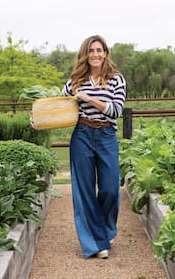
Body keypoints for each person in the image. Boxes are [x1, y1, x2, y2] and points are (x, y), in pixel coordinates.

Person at [62, 35, 126, 259]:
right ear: (85, 55)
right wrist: (37, 119)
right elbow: (60, 108)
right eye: (91, 51)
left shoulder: (116, 80)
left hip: (107, 134)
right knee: (84, 191)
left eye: (99, 50)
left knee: (110, 188)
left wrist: (88, 99)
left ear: (106, 53)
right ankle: (97, 243)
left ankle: (104, 231)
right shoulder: (75, 81)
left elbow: (115, 110)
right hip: (82, 134)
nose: (96, 54)